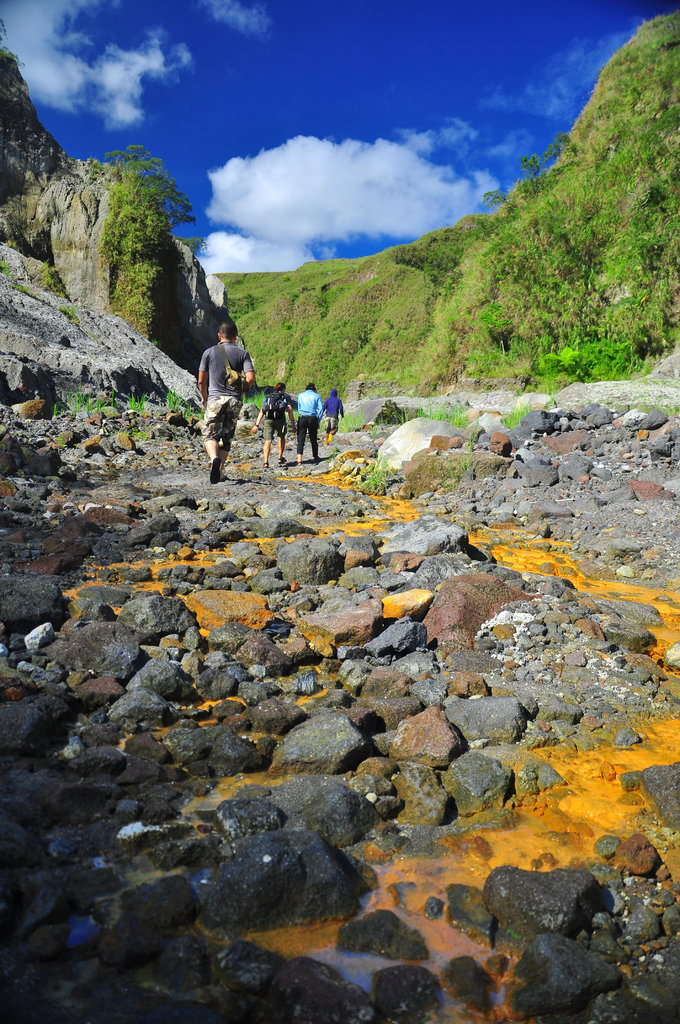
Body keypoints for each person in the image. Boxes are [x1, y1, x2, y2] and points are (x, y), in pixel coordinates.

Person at [198, 320, 256, 484]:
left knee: (210, 434)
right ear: (235, 336)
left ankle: (214, 459)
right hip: (234, 400)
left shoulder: (208, 352)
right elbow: (250, 378)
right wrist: (241, 390)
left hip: (215, 399)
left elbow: (202, 381)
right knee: (227, 437)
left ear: (219, 335)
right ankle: (220, 473)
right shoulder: (242, 354)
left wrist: (204, 396)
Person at [250, 382, 296, 468]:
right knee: (281, 438)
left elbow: (262, 411)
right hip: (280, 420)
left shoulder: (268, 397)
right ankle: (279, 458)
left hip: (268, 420)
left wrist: (256, 425)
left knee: (268, 441)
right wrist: (293, 424)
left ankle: (265, 462)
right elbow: (289, 410)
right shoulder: (285, 396)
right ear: (283, 389)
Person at [295, 382, 324, 466]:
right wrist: (318, 420)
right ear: (314, 389)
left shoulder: (300, 395)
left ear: (306, 389)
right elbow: (321, 409)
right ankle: (315, 456)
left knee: (301, 438)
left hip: (302, 417)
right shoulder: (317, 396)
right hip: (312, 418)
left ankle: (299, 459)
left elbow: (299, 407)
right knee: (313, 438)